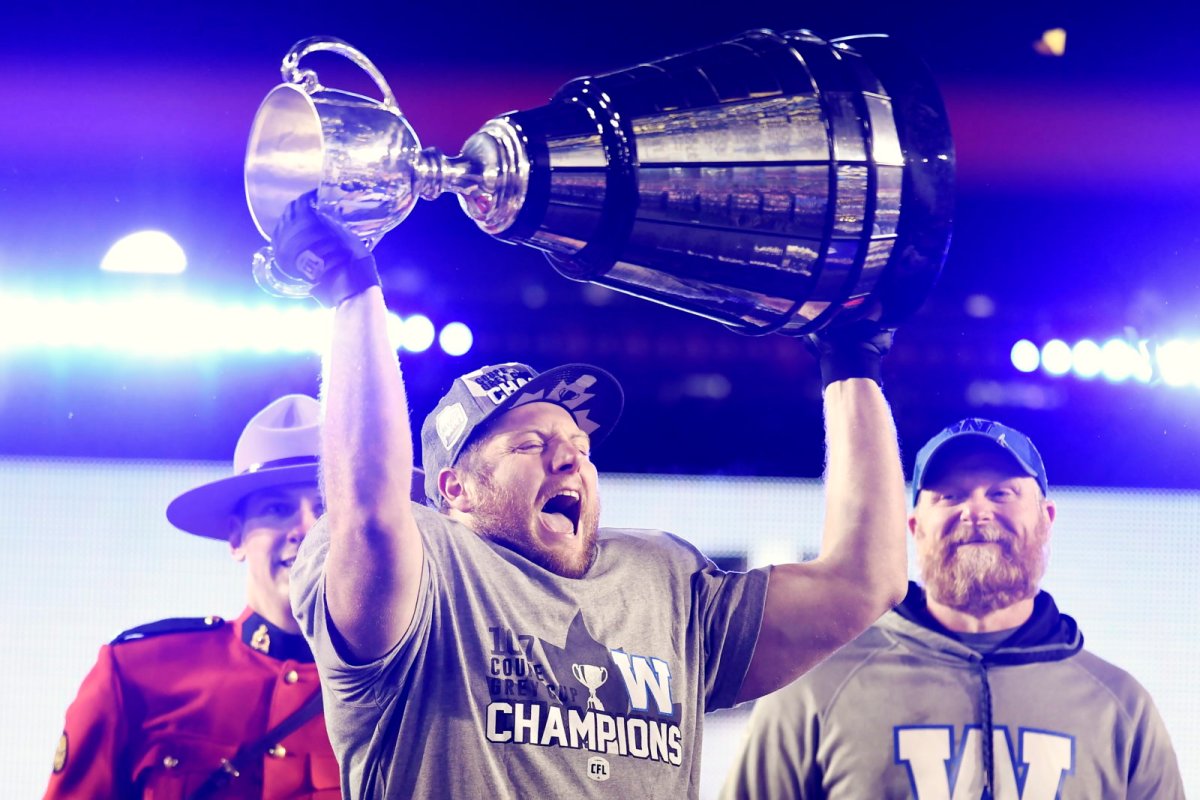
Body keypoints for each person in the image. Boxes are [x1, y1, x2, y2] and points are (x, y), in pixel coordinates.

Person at [274, 194, 909, 798]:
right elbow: (371, 517)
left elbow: (864, 581)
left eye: (579, 444)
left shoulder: (664, 582)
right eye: (528, 445)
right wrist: (354, 292)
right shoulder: (431, 572)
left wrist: (851, 363)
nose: (569, 457)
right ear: (454, 489)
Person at [721, 417, 1186, 799]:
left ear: (1046, 519)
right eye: (950, 495)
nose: (975, 511)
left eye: (1001, 493)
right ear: (914, 526)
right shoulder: (815, 689)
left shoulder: (1119, 707)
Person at [44, 395, 346, 798]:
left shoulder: (399, 692)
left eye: (324, 510)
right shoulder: (138, 672)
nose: (305, 530)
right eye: (277, 508)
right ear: (236, 538)